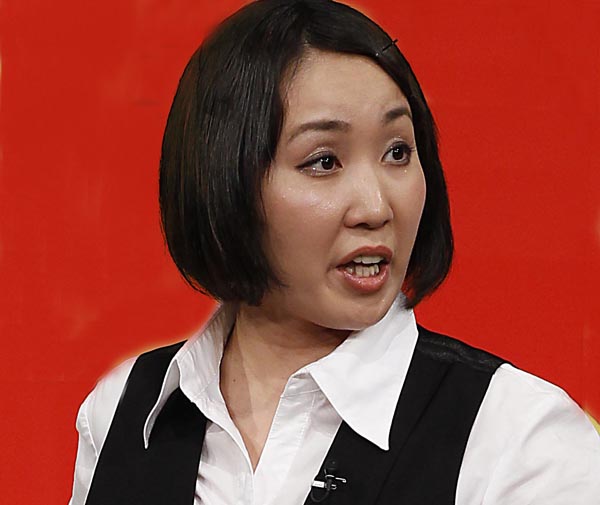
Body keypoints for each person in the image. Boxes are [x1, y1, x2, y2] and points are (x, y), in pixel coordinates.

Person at [69, 1, 600, 504]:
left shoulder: (520, 441)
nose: (375, 207)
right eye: (324, 161)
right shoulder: (122, 412)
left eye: (398, 152)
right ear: (223, 181)